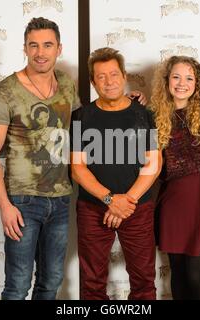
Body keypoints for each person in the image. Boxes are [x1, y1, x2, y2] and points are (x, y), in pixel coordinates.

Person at [0, 17, 78, 300]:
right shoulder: (4, 92)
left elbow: (88, 120)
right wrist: (4, 205)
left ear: (59, 48)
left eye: (47, 45)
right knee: (18, 285)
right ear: (24, 48)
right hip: (22, 200)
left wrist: (131, 100)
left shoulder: (66, 83)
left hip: (61, 199)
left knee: (51, 282)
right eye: (33, 45)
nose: (40, 52)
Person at [70, 47, 161, 300]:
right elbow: (78, 168)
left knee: (144, 280)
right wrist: (111, 200)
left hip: (138, 208)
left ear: (123, 76)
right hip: (93, 208)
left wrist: (127, 202)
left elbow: (154, 164)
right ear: (92, 81)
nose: (108, 82)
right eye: (101, 76)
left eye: (113, 74)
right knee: (92, 282)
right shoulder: (80, 117)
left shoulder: (144, 114)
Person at [150, 56, 200, 300]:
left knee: (197, 277)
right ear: (167, 81)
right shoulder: (154, 116)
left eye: (189, 78)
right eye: (176, 77)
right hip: (173, 201)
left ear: (198, 84)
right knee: (180, 277)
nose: (182, 83)